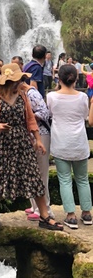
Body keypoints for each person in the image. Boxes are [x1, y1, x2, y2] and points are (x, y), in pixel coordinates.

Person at [0, 63, 63, 230]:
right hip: (1, 144)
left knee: (34, 176)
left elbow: (30, 120)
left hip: (22, 142)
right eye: (18, 79)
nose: (21, 82)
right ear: (8, 81)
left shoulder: (23, 96)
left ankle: (44, 215)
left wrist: (38, 140)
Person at [47, 65, 93, 229]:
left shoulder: (51, 96)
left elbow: (49, 115)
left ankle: (71, 216)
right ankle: (87, 213)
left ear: (58, 79)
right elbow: (84, 116)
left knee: (65, 180)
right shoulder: (82, 97)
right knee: (82, 180)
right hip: (79, 142)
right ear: (76, 78)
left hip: (61, 143)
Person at [21, 81, 53, 221]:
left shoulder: (32, 93)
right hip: (31, 136)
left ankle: (45, 209)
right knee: (32, 172)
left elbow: (44, 112)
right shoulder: (22, 94)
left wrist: (28, 117)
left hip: (41, 134)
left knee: (41, 172)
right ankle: (35, 206)